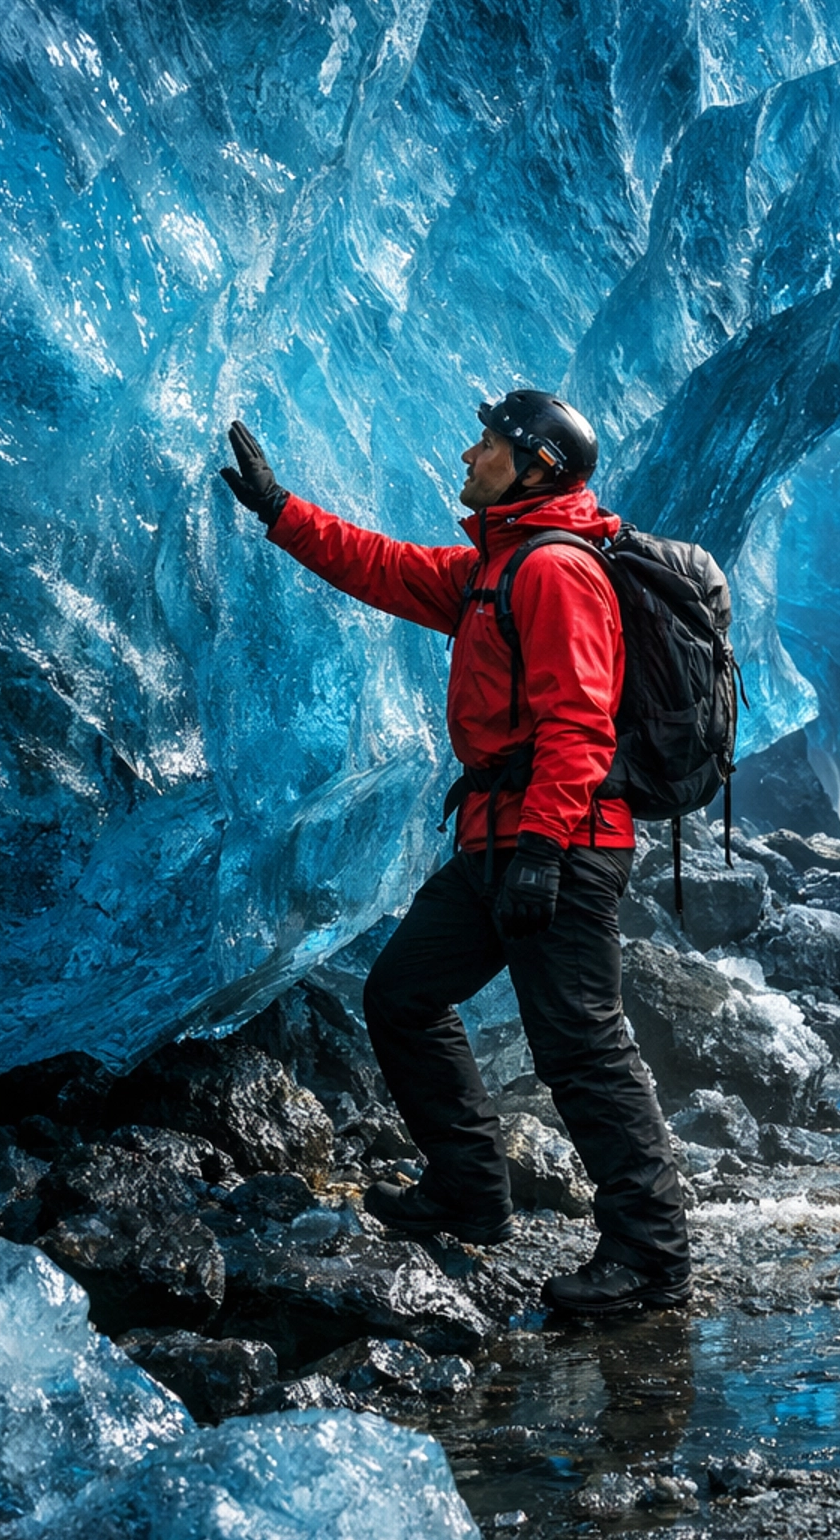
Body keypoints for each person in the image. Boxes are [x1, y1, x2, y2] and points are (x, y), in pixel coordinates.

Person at [220, 393, 690, 1316]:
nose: (471, 452)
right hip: (498, 841)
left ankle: (651, 1258)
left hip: (559, 844)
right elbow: (385, 569)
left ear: (537, 467)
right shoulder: (497, 566)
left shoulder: (554, 572)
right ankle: (471, 1187)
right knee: (401, 995)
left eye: (491, 443)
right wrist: (282, 511)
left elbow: (581, 728)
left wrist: (545, 854)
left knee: (582, 1049)